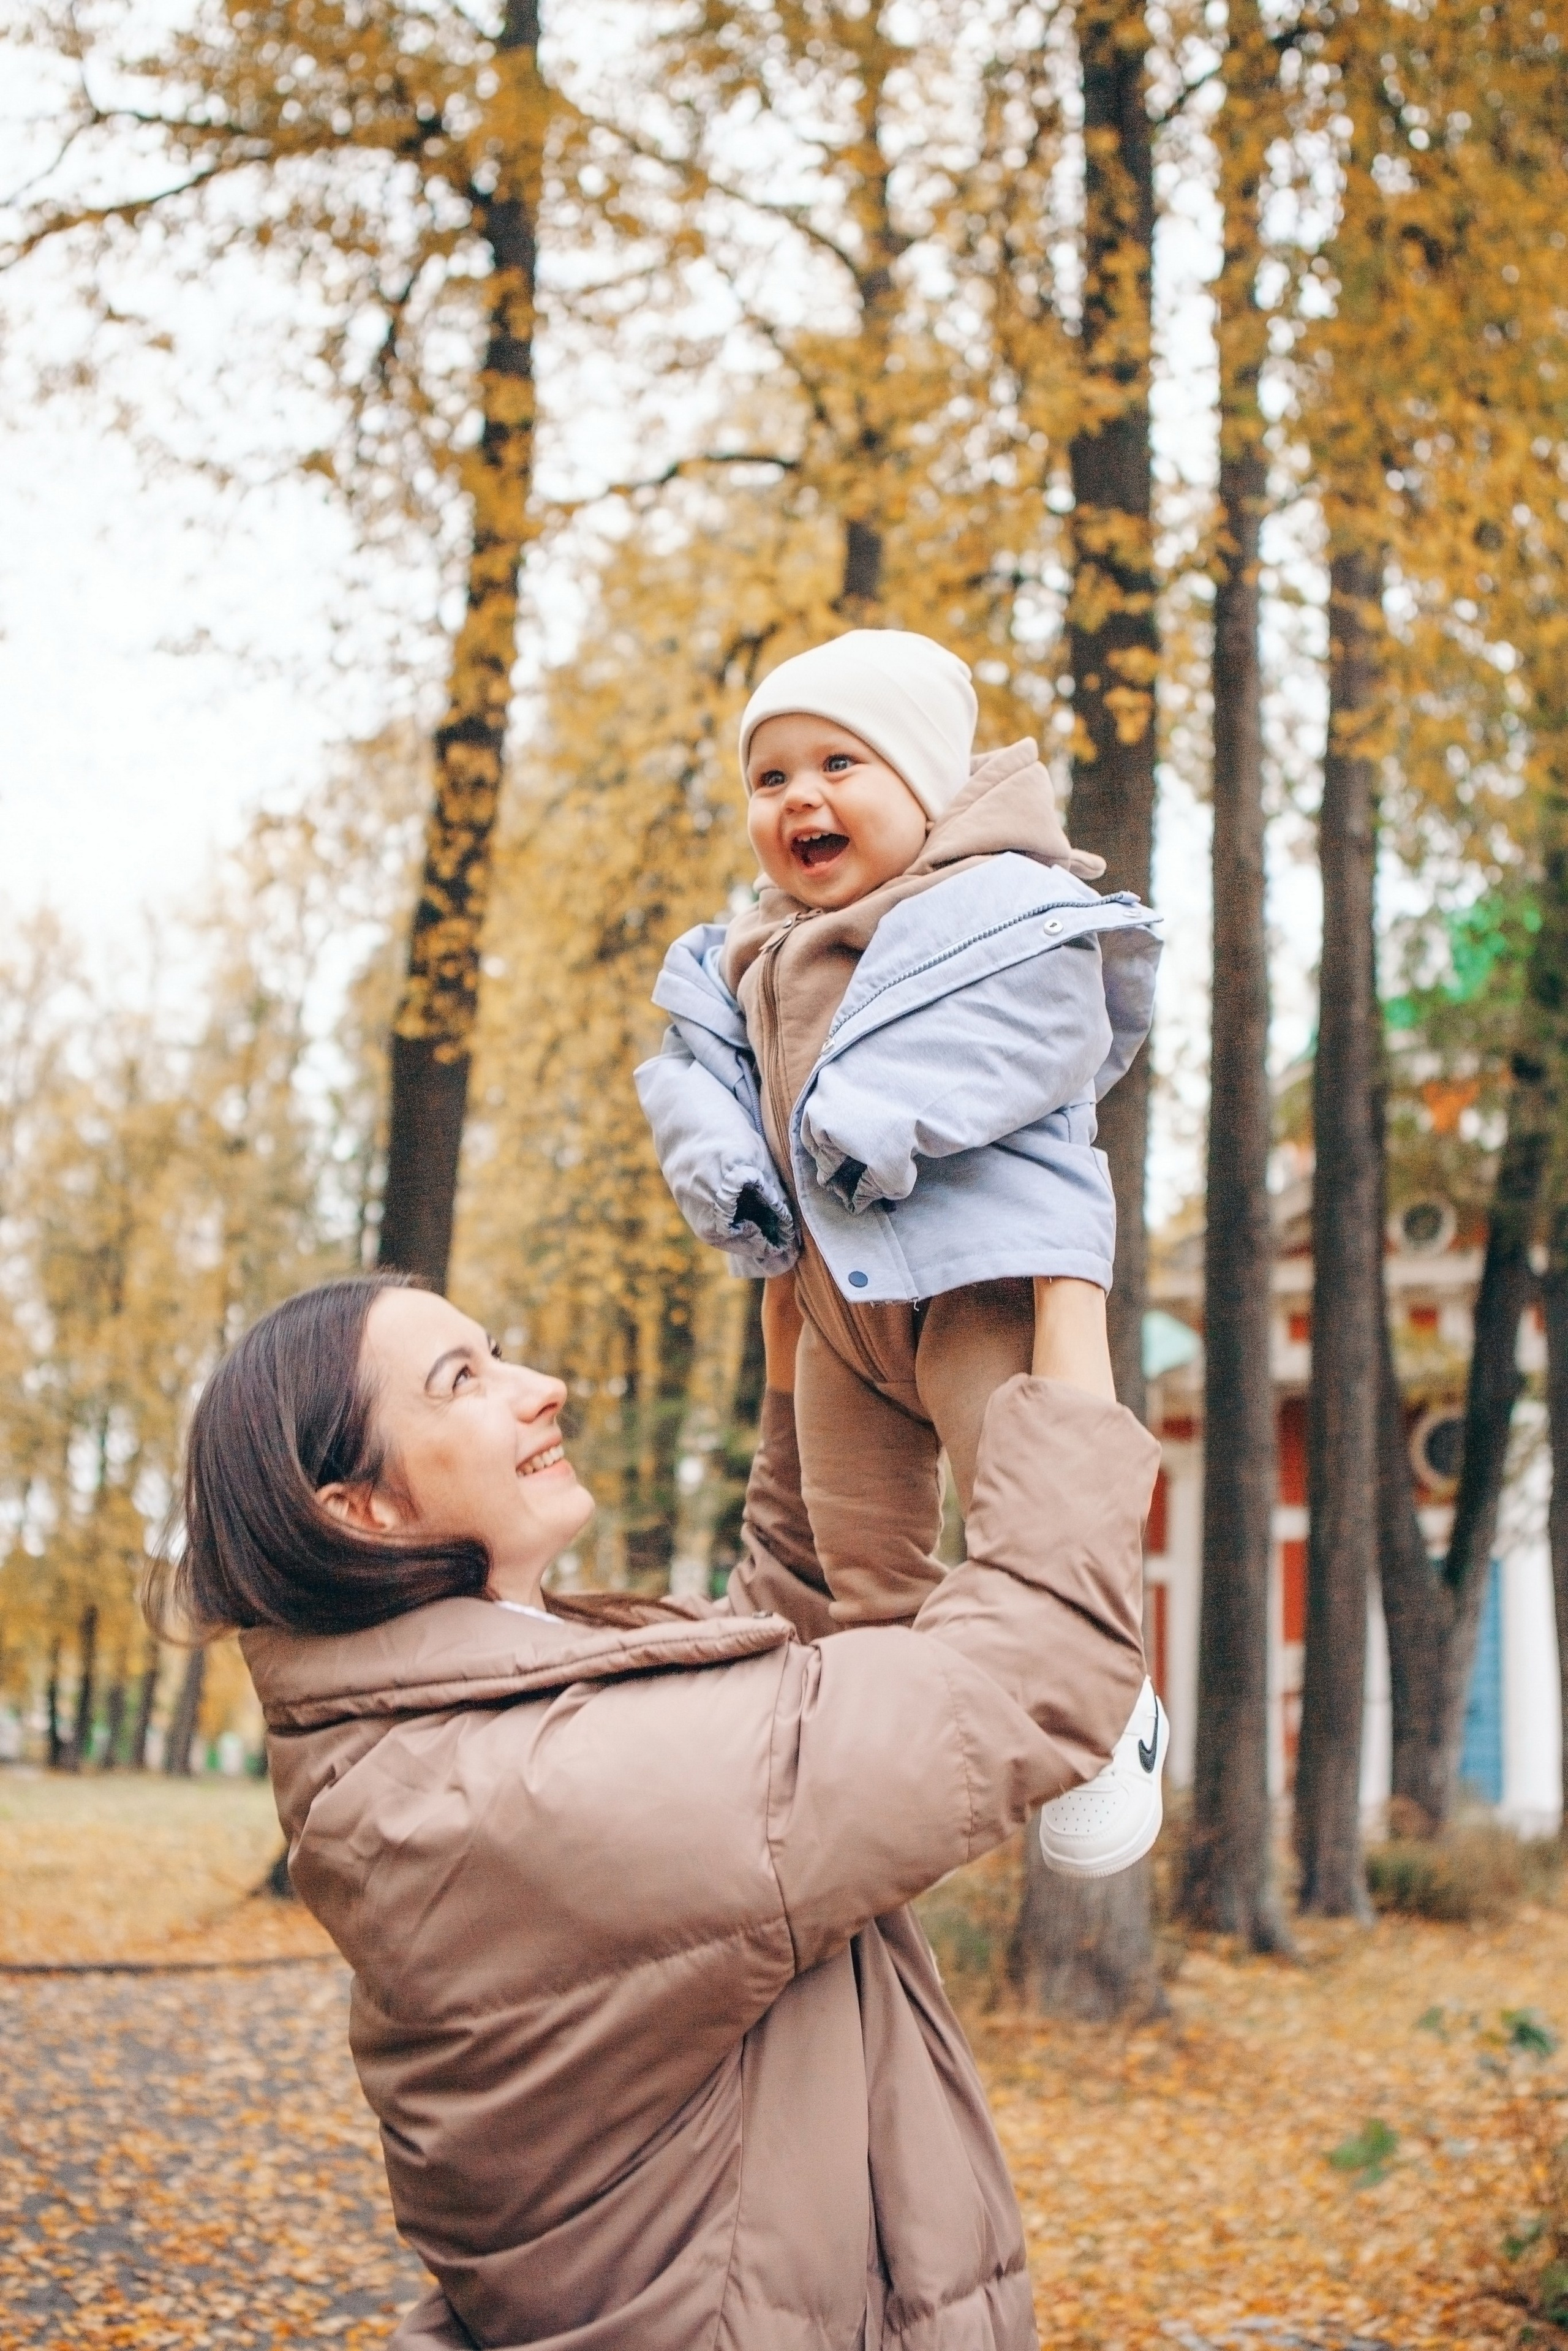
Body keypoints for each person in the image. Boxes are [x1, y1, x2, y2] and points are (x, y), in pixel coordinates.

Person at [161, 1267, 1155, 2351]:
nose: (543, 1387)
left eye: (500, 1353)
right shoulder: (525, 1791)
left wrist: (799, 1358)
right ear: (362, 1511)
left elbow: (777, 1664)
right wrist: (1066, 1280)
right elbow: (1033, 1668)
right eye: (461, 1379)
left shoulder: (438, 1740)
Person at [636, 628, 1167, 1877]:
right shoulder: (743, 952)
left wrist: (875, 1113)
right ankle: (896, 1736)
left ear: (923, 783)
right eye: (770, 778)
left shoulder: (997, 904)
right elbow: (685, 1075)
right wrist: (724, 1168)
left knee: (1026, 1506)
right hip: (838, 1308)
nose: (799, 798)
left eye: (839, 764)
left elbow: (1043, 1029)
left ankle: (1107, 1704)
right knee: (861, 1556)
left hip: (979, 1280)